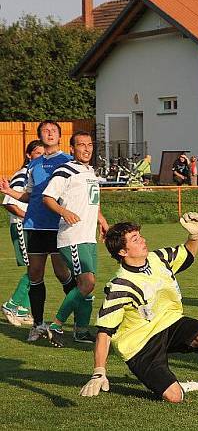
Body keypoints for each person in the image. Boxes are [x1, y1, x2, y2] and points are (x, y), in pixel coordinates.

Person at [79, 214, 198, 402]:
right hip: (140, 345)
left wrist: (194, 236)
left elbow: (187, 255)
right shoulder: (120, 286)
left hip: (169, 323)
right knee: (174, 397)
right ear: (123, 252)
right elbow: (104, 332)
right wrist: (99, 371)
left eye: (140, 236)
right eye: (135, 239)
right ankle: (178, 387)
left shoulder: (158, 258)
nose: (143, 240)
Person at [0, 121, 74, 342]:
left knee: (64, 274)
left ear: (60, 136)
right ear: (40, 135)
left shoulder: (69, 162)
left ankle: (77, 325)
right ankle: (38, 325)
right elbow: (29, 196)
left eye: (53, 131)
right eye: (45, 131)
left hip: (59, 225)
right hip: (35, 225)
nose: (50, 133)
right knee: (35, 274)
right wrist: (9, 191)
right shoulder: (34, 165)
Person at [36, 131, 109, 346]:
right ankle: (56, 324)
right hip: (72, 237)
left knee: (85, 286)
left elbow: (92, 201)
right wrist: (63, 212)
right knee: (87, 282)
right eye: (81, 145)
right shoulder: (65, 170)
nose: (86, 149)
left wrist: (102, 221)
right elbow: (47, 198)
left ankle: (82, 331)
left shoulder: (90, 171)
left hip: (88, 237)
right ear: (72, 149)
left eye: (89, 145)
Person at [2, 140, 45, 326]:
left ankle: (22, 309)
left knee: (37, 269)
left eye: (44, 154)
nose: (41, 157)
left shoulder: (35, 174)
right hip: (22, 225)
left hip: (32, 227)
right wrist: (28, 216)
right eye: (37, 153)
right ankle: (11, 305)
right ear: (29, 155)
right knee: (33, 268)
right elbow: (9, 202)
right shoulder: (22, 174)